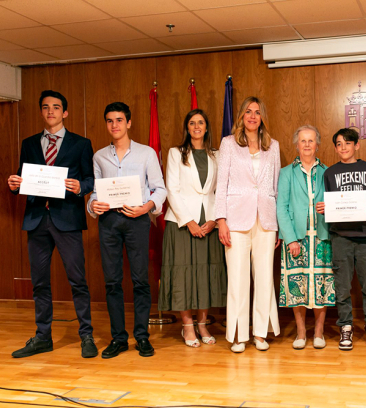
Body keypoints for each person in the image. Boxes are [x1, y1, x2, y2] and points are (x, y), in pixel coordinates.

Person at [8, 90, 97, 359]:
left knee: (78, 281)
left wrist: (81, 186)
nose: (51, 111)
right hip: (37, 219)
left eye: (56, 107)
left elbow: (91, 180)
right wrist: (15, 185)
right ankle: (42, 337)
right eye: (45, 107)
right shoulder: (30, 143)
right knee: (39, 284)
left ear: (65, 112)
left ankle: (86, 336)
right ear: (41, 112)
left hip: (67, 219)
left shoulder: (81, 144)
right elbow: (25, 178)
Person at [88, 102, 167, 359]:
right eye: (110, 121)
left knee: (140, 281)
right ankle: (119, 338)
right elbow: (96, 194)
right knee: (112, 282)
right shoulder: (99, 156)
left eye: (119, 120)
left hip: (137, 221)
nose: (115, 125)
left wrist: (146, 208)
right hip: (109, 222)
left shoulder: (146, 154)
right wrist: (93, 205)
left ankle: (142, 337)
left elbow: (160, 188)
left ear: (129, 123)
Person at [215, 96, 281, 353]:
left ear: (262, 116)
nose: (252, 116)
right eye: (248, 112)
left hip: (265, 220)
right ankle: (240, 335)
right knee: (238, 278)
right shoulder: (229, 144)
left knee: (265, 278)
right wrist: (221, 220)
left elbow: (273, 187)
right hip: (235, 219)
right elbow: (222, 185)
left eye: (257, 112)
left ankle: (260, 334)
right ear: (241, 116)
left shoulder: (272, 146)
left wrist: (277, 225)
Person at [159, 109, 226, 348]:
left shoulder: (218, 154)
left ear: (206, 127)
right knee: (183, 275)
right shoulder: (176, 153)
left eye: (200, 123)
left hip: (209, 223)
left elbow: (221, 190)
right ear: (187, 128)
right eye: (192, 123)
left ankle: (202, 324)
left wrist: (215, 219)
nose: (196, 126)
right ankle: (187, 326)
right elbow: (172, 189)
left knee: (205, 275)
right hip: (181, 223)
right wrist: (189, 221)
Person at [318, 128, 366, 351]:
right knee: (342, 287)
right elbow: (328, 203)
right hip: (340, 236)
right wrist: (323, 208)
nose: (343, 147)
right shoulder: (329, 173)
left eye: (347, 143)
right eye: (338, 144)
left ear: (357, 145)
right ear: (334, 147)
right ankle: (345, 326)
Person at [277, 125, 334, 350]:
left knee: (322, 283)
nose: (307, 145)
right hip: (296, 238)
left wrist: (329, 207)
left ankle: (318, 332)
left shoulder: (328, 172)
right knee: (296, 284)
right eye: (303, 141)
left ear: (317, 145)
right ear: (297, 145)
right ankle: (301, 332)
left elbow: (337, 204)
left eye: (311, 141)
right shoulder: (286, 173)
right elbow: (281, 207)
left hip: (322, 236)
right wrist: (290, 239)